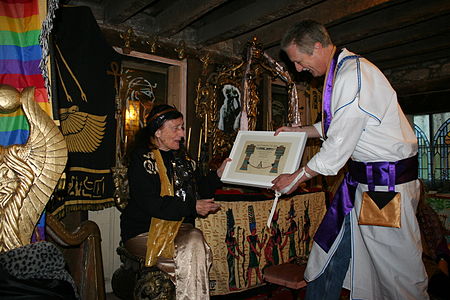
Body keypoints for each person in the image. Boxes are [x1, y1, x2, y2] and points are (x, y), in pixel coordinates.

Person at [271, 20, 429, 300]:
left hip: (383, 190)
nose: (298, 69)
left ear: (317, 47)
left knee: (394, 268)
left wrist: (296, 178)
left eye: (299, 61)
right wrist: (300, 131)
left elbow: (336, 148)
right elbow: (339, 124)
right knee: (369, 262)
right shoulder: (346, 70)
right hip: (370, 185)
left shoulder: (351, 77)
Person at [120, 104, 228, 300]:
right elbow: (150, 203)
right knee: (198, 253)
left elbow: (199, 189)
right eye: (176, 128)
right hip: (144, 230)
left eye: (182, 127)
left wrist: (218, 174)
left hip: (179, 228)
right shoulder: (142, 159)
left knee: (195, 242)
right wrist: (192, 207)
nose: (182, 133)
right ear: (158, 132)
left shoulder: (184, 160)